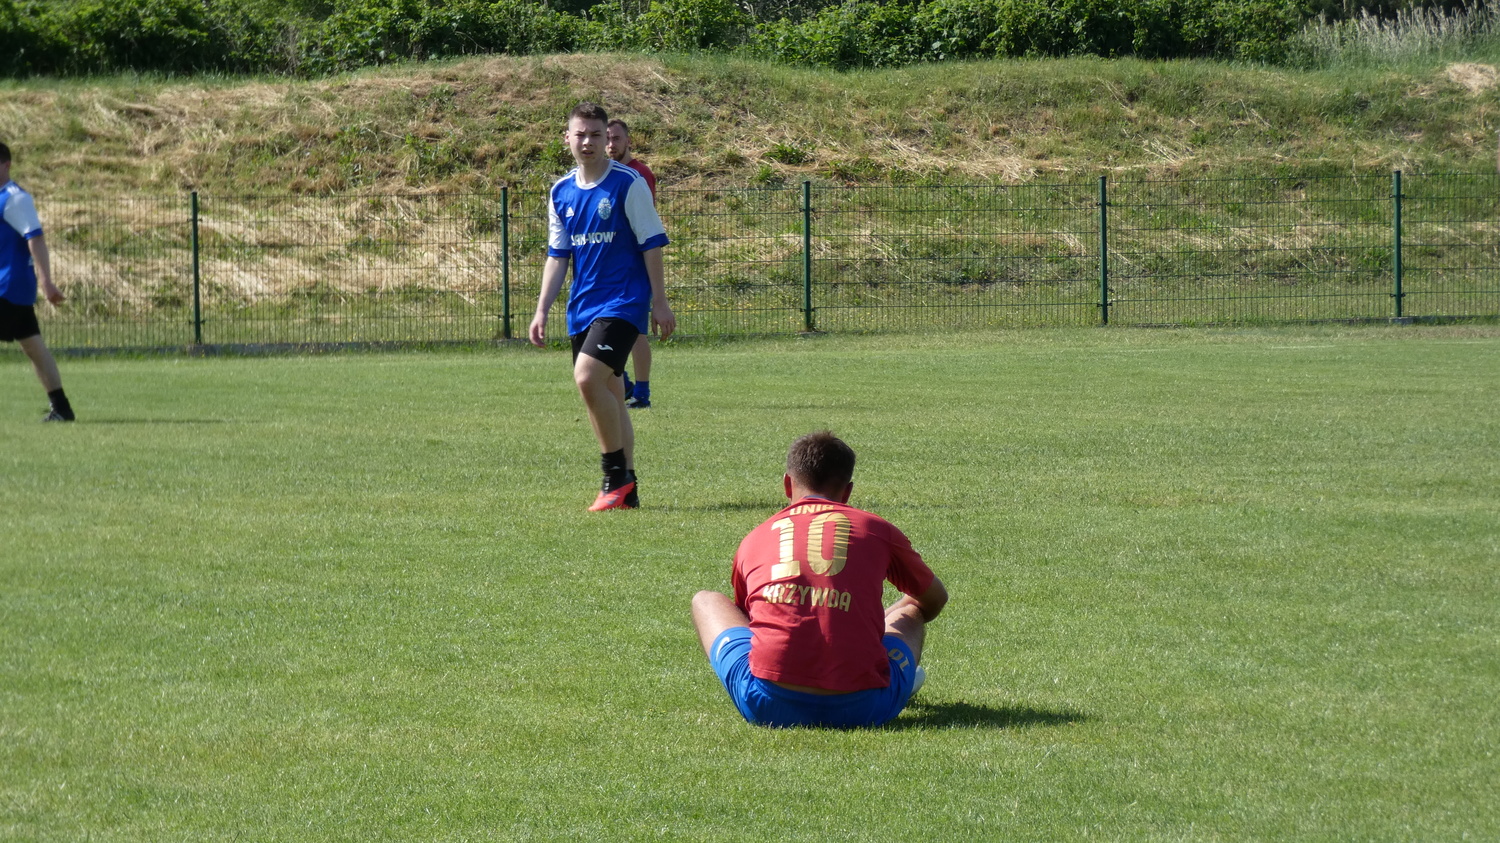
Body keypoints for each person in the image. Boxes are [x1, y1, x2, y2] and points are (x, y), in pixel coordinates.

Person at [691, 431, 949, 728]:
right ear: (847, 492)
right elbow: (934, 599)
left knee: (705, 600)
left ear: (787, 484)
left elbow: (750, 621)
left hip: (767, 704)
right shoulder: (877, 529)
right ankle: (897, 675)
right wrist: (888, 615)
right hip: (865, 707)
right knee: (912, 609)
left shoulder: (755, 538)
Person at [529, 103, 675, 511]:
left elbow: (652, 244)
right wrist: (541, 310)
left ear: (606, 137)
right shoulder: (561, 192)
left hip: (624, 301)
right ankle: (629, 488)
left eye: (596, 134)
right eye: (580, 134)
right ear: (567, 139)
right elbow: (558, 257)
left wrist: (660, 302)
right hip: (583, 306)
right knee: (610, 391)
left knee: (587, 377)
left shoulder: (629, 184)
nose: (588, 142)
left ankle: (613, 477)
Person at [1, 142, 74, 422]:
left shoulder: (15, 198)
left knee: (33, 346)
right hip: (11, 287)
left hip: (8, 287)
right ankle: (62, 408)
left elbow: (36, 238)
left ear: (6, 165)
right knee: (33, 346)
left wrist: (46, 281)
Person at [605, 118, 658, 409]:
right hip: (609, 267)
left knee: (636, 331)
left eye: (616, 138)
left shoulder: (639, 174)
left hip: (635, 265)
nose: (611, 144)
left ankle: (641, 392)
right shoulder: (605, 176)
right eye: (607, 138)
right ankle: (623, 382)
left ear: (628, 142)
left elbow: (643, 224)